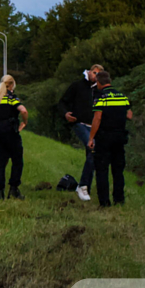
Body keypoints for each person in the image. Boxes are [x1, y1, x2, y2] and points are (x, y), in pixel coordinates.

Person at [57, 64, 104, 201]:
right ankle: (82, 186)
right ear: (89, 72)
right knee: (92, 148)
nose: (95, 76)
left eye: (98, 74)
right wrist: (66, 114)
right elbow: (62, 102)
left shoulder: (99, 91)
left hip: (94, 126)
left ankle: (85, 187)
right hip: (79, 123)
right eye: (94, 73)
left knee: (92, 154)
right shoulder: (77, 86)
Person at [88, 71, 133, 208]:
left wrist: (91, 138)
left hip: (104, 138)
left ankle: (104, 202)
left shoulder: (101, 97)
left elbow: (97, 118)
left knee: (102, 169)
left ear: (99, 83)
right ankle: (119, 199)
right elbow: (129, 115)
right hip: (120, 137)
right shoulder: (122, 96)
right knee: (118, 170)